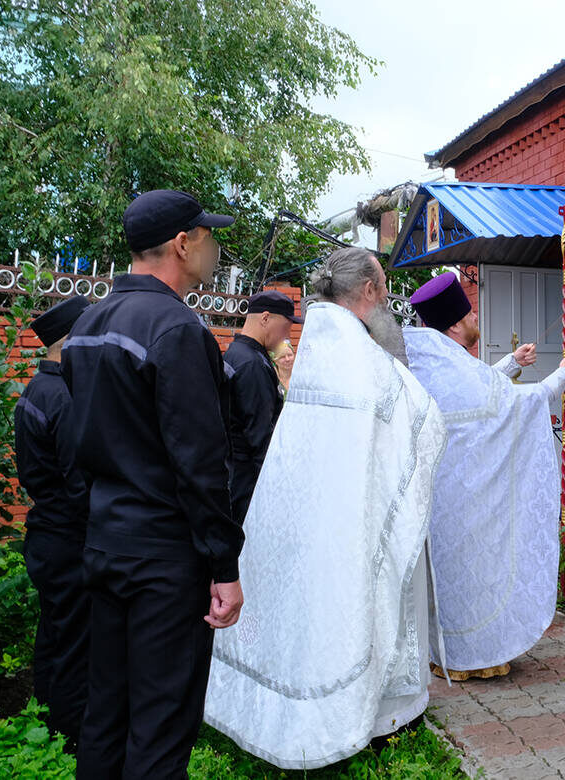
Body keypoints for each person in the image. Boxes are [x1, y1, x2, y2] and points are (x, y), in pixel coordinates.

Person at [204, 247, 447, 769]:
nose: (386, 300)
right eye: (383, 288)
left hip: (312, 511)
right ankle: (366, 715)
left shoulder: (319, 345)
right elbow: (423, 418)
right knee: (352, 605)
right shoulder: (362, 358)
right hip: (348, 518)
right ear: (367, 292)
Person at [61, 189, 245, 779]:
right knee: (161, 727)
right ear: (182, 242)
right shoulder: (177, 329)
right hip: (164, 560)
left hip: (105, 546)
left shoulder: (88, 324)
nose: (215, 247)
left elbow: (78, 445)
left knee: (106, 715)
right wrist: (224, 566)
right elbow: (200, 461)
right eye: (208, 235)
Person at [403, 271, 565, 680]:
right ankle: (477, 656)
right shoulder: (452, 367)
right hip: (471, 498)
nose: (474, 320)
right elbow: (517, 404)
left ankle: (443, 651)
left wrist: (511, 363)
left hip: (442, 496)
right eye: (468, 314)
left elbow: (477, 391)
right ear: (454, 325)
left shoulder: (430, 361)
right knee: (476, 575)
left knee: (448, 576)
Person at [14, 294, 91, 749]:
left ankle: (44, 717)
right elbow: (80, 483)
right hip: (68, 540)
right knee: (76, 645)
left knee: (55, 634)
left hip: (46, 533)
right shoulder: (63, 396)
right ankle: (70, 736)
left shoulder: (36, 391)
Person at [224, 290, 301, 525]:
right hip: (248, 484)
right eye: (286, 328)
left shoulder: (237, 353)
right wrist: (278, 493)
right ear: (265, 318)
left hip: (234, 475)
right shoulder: (251, 364)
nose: (286, 336)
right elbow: (259, 437)